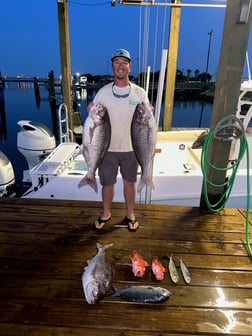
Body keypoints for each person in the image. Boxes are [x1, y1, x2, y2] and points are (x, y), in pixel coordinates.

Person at [90, 48, 151, 232]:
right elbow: (95, 118)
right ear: (112, 67)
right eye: (117, 62)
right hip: (106, 148)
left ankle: (130, 214)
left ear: (130, 67)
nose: (120, 66)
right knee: (107, 183)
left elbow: (148, 117)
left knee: (129, 183)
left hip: (132, 148)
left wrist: (151, 112)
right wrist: (90, 111)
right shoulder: (103, 92)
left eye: (124, 62)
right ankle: (106, 213)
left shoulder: (139, 93)